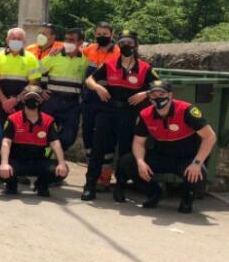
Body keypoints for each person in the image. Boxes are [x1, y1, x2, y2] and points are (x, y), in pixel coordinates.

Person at [116, 81, 216, 214]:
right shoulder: (145, 115)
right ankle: (154, 192)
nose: (158, 98)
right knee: (127, 162)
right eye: (154, 94)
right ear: (149, 97)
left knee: (199, 174)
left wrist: (197, 163)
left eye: (162, 94)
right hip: (162, 156)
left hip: (186, 158)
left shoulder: (187, 110)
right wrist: (140, 162)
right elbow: (138, 142)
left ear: (170, 95)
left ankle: (187, 199)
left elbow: (210, 137)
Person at [82, 31, 158, 202]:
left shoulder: (145, 68)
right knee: (98, 149)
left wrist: (145, 93)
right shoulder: (110, 64)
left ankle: (120, 188)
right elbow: (89, 80)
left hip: (128, 113)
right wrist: (98, 88)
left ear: (136, 46)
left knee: (125, 152)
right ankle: (90, 186)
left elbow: (161, 86)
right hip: (107, 111)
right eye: (122, 43)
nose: (126, 46)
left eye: (129, 43)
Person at [0, 86, 69, 196]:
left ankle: (42, 184)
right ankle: (11, 184)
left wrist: (61, 163)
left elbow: (55, 143)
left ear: (40, 100)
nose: (32, 100)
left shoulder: (48, 120)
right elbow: (6, 142)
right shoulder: (13, 119)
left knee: (61, 171)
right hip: (17, 161)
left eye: (35, 98)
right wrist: (4, 163)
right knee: (0, 170)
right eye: (29, 97)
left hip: (38, 161)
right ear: (23, 100)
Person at [81, 22, 120, 182]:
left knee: (106, 138)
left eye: (105, 34)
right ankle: (92, 173)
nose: (101, 36)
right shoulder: (90, 49)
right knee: (88, 136)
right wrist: (58, 48)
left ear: (112, 34)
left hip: (108, 100)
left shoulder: (118, 52)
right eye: (98, 34)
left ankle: (104, 177)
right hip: (89, 100)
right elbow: (72, 47)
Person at [40, 28, 89, 153]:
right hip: (51, 100)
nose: (67, 42)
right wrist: (40, 90)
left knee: (69, 136)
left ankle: (56, 153)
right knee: (44, 132)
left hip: (72, 103)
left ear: (80, 42)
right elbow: (36, 72)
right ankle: (46, 158)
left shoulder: (85, 60)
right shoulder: (54, 55)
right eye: (66, 39)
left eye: (72, 40)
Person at [0, 27, 41, 126]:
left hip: (22, 103)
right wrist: (5, 102)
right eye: (13, 38)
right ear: (7, 40)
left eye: (19, 39)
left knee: (20, 131)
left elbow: (34, 82)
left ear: (24, 41)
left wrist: (16, 100)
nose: (16, 41)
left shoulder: (31, 58)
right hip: (1, 103)